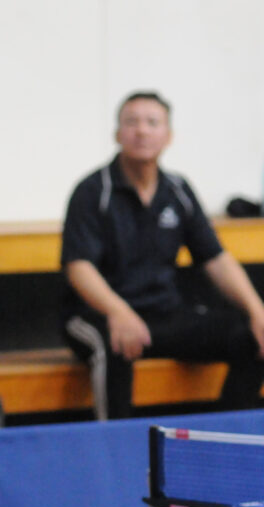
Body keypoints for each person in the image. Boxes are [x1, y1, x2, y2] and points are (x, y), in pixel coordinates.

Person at [60, 90, 264, 420]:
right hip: (98, 313)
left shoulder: (178, 190)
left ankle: (223, 439)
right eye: (132, 122)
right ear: (117, 134)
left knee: (251, 336)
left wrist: (257, 310)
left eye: (152, 122)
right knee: (115, 346)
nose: (142, 130)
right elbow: (78, 266)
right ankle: (116, 447)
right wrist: (118, 311)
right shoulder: (93, 191)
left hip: (162, 313)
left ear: (168, 135)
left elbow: (215, 258)